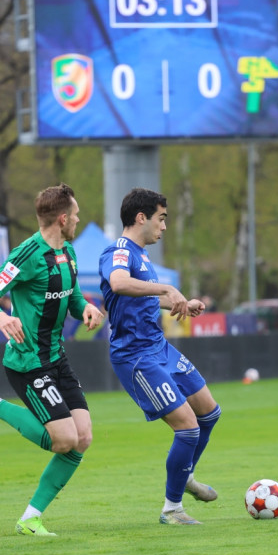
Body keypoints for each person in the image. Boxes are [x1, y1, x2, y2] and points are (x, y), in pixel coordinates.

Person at [0, 183, 103, 537]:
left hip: (56, 358)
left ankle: (29, 518)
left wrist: (86, 309)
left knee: (82, 438)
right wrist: (1, 318)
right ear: (62, 218)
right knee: (63, 439)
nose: (79, 220)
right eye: (76, 215)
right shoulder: (25, 255)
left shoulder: (68, 252)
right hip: (27, 362)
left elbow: (73, 296)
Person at [98, 187, 221, 525]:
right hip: (136, 357)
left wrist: (179, 303)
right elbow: (120, 283)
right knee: (188, 428)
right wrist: (167, 288)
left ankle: (186, 474)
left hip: (158, 347)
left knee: (209, 412)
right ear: (142, 217)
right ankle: (172, 509)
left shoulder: (142, 254)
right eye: (161, 218)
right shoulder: (119, 250)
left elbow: (144, 298)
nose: (164, 227)